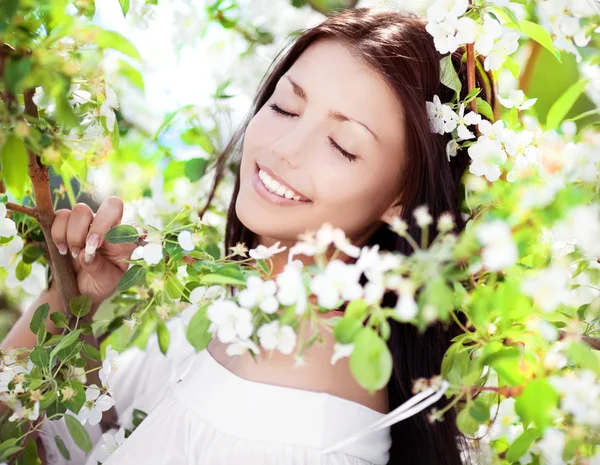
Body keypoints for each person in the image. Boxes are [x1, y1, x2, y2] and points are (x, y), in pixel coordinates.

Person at [1, 7, 495, 465]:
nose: (284, 148)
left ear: (402, 199)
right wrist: (66, 297)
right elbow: (51, 443)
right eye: (284, 107)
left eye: (343, 147)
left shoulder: (306, 445)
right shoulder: (216, 312)